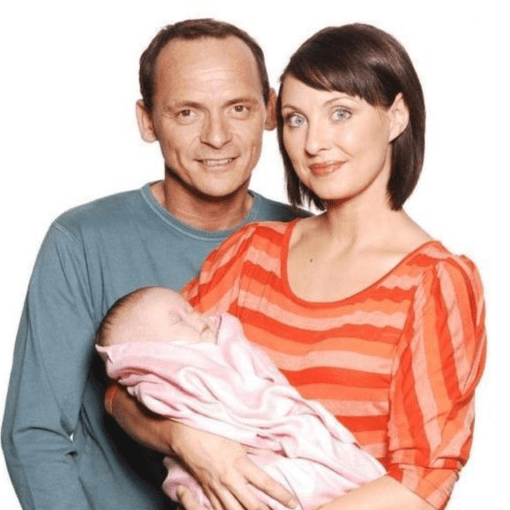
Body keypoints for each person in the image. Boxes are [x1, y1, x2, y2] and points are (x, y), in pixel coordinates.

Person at [109, 23, 487, 510]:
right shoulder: (251, 253)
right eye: (295, 119)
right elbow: (128, 383)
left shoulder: (434, 282)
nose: (314, 143)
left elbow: (423, 480)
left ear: (396, 116)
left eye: (340, 113)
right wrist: (188, 441)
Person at [1, 19, 307, 510]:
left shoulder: (311, 238)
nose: (217, 136)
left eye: (239, 108)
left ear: (269, 111)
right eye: (187, 112)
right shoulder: (81, 241)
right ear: (147, 121)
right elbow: (34, 433)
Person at [96, 286, 385, 510]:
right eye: (179, 319)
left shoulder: (220, 343)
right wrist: (180, 435)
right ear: (150, 354)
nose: (198, 317)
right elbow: (115, 393)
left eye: (191, 310)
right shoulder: (172, 373)